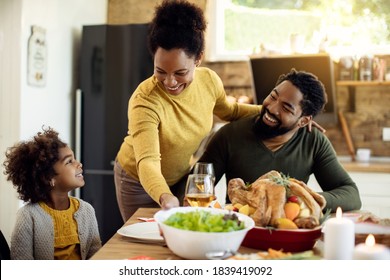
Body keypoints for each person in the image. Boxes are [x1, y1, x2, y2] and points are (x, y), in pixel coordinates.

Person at [113, 0, 262, 222]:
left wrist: (272, 110)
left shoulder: (209, 81)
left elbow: (230, 111)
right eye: (160, 71)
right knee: (149, 245)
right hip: (138, 182)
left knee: (184, 234)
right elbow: (148, 162)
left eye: (180, 72)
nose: (170, 82)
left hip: (182, 177)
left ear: (198, 58)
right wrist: (165, 196)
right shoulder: (145, 100)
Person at [198, 69, 362, 213]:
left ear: (303, 121)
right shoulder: (229, 135)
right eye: (273, 96)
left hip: (289, 232)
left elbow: (351, 194)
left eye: (286, 108)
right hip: (241, 231)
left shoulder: (313, 141)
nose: (272, 108)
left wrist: (302, 198)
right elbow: (196, 184)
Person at [3, 127, 101, 260]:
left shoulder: (86, 211)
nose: (79, 164)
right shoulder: (27, 217)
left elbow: (96, 256)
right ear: (49, 178)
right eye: (69, 161)